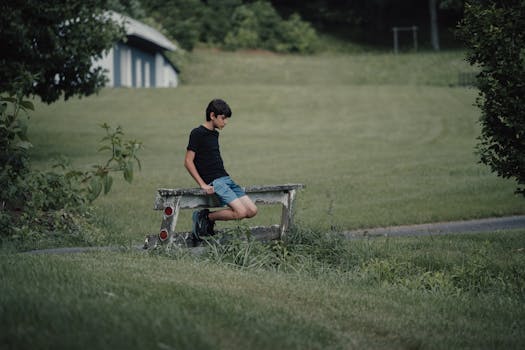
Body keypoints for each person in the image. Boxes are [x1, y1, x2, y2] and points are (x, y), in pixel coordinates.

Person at [184, 98, 257, 241]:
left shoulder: (214, 134)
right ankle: (206, 217)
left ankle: (207, 218)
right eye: (223, 118)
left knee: (252, 210)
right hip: (216, 182)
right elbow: (188, 161)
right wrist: (202, 184)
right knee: (240, 212)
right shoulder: (197, 133)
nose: (225, 122)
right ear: (212, 116)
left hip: (226, 179)